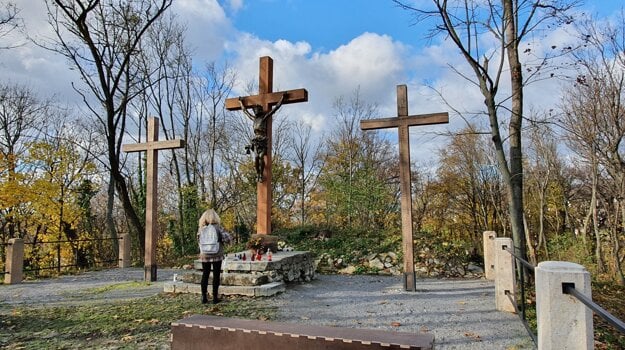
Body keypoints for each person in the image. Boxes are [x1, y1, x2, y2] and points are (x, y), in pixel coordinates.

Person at [238, 93, 286, 182]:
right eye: (254, 110)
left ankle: (261, 174)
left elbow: (275, 108)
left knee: (261, 157)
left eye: (256, 110)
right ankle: (258, 174)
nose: (255, 111)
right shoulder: (254, 118)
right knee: (256, 158)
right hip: (255, 141)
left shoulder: (264, 118)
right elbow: (245, 111)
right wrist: (241, 102)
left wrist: (282, 98)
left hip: (263, 141)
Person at [197, 208, 232, 304]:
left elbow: (198, 241)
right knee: (216, 275)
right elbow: (227, 238)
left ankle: (204, 296)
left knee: (205, 274)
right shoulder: (218, 227)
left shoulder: (201, 228)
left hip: (205, 254)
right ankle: (215, 297)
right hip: (217, 253)